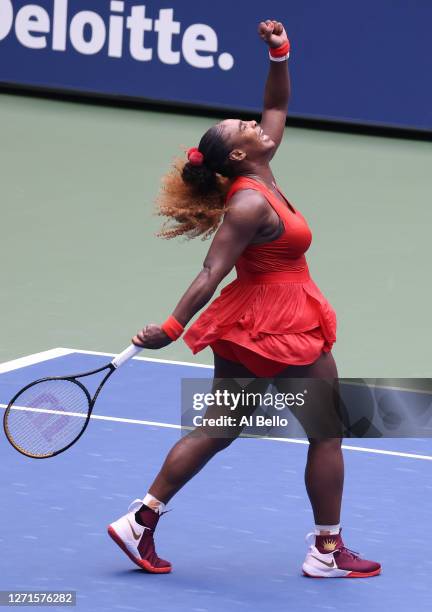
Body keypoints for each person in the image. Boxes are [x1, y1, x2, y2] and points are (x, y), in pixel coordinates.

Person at [108, 20, 381, 579]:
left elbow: (275, 103)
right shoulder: (249, 205)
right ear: (235, 158)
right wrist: (171, 325)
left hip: (247, 320)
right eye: (242, 128)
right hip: (279, 323)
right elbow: (212, 269)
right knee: (327, 430)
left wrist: (279, 53)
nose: (254, 124)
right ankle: (326, 551)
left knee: (220, 424)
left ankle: (140, 520)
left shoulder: (261, 162)